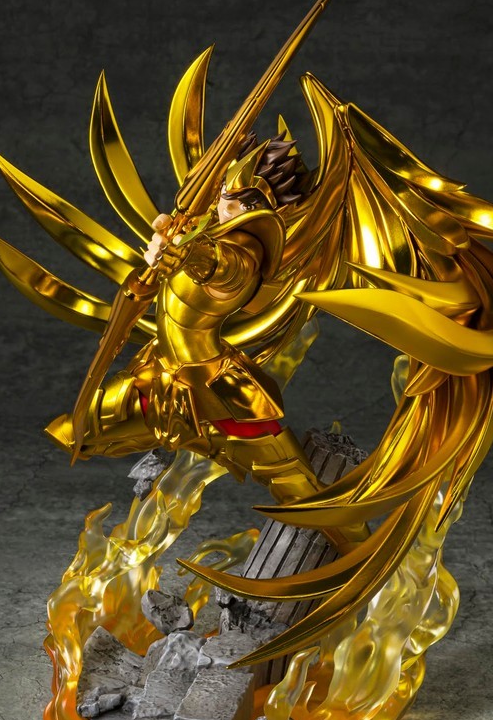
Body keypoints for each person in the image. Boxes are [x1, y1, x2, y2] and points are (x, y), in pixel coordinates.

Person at [43, 134, 348, 525]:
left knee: (292, 483)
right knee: (78, 431)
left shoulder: (245, 253)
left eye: (236, 197)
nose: (222, 201)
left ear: (259, 207)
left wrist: (183, 252)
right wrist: (160, 258)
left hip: (213, 390)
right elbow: (170, 275)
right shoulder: (209, 228)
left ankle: (352, 539)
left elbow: (222, 267)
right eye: (223, 190)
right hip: (160, 374)